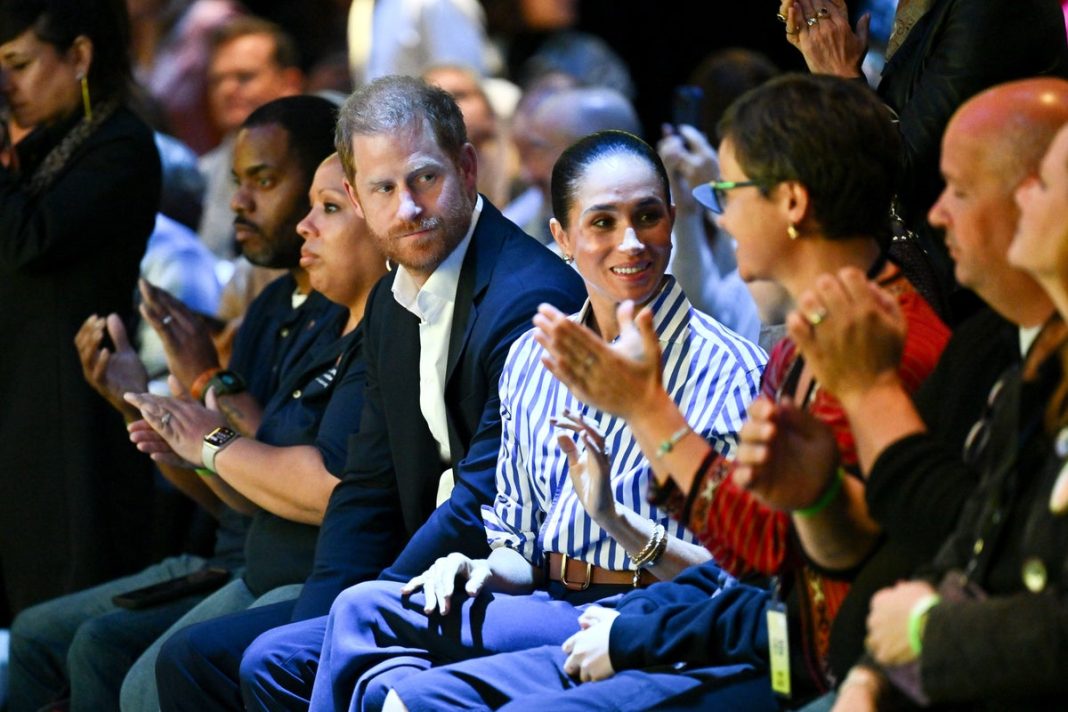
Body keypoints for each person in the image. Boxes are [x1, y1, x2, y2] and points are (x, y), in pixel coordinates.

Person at [445, 74, 948, 709]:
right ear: (563, 237)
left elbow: (774, 563)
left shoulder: (880, 342)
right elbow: (771, 561)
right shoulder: (809, 336)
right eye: (602, 221)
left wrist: (644, 410)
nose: (721, 214)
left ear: (790, 203)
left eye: (727, 189)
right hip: (750, 637)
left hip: (817, 671)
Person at [151, 75, 587, 712]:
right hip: (419, 578)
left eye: (425, 178)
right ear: (357, 196)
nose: (407, 207)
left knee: (269, 663)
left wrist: (365, 610)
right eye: (383, 189)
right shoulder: (390, 298)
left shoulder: (527, 297)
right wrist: (320, 614)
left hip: (512, 583)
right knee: (196, 660)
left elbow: (483, 496)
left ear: (468, 168)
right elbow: (367, 488)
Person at [307, 128, 765, 712]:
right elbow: (517, 542)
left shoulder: (733, 374)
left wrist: (614, 518)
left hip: (650, 611)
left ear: (672, 221)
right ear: (562, 237)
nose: (631, 243)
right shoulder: (533, 359)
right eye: (603, 223)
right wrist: (476, 566)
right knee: (363, 613)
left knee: (392, 682)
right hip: (546, 602)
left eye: (647, 216)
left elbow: (739, 578)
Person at [5, 94, 344, 712]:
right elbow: (227, 495)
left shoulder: (350, 313)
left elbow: (295, 478)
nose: (239, 202)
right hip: (239, 549)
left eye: (263, 181)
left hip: (293, 566)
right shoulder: (270, 308)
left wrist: (208, 381)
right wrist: (138, 406)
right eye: (238, 182)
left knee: (104, 651)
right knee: (33, 632)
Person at [764, 78, 1068, 710]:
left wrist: (927, 633)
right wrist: (814, 497)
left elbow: (958, 541)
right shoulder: (1007, 353)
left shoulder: (903, 332)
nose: (934, 213)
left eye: (958, 189)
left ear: (792, 201)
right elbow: (951, 551)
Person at [0, 0, 162, 624]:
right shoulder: (46, 144)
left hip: (71, 411)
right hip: (21, 398)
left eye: (18, 64)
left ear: (81, 56)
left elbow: (29, 240)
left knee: (59, 597)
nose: (8, 86)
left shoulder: (121, 146)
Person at [778, 0, 1068, 322]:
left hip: (980, 298)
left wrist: (841, 76)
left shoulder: (992, 8)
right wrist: (831, 64)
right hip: (948, 284)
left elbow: (903, 170)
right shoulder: (929, 8)